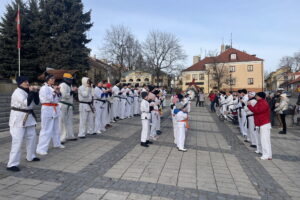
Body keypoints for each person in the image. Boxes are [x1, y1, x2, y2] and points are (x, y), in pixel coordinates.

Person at [7, 76, 40, 172]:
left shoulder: (27, 91)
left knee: (32, 137)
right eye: (25, 81)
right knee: (17, 141)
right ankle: (12, 163)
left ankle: (31, 156)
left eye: (27, 81)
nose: (27, 83)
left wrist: (35, 92)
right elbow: (26, 103)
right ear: (20, 83)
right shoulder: (17, 92)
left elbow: (37, 102)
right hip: (18, 117)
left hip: (29, 117)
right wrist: (31, 92)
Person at [36, 74, 64, 156]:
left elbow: (58, 99)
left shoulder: (52, 88)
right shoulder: (44, 88)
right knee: (46, 129)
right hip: (47, 109)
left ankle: (57, 143)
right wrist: (54, 91)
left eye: (54, 79)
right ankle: (41, 149)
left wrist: (58, 92)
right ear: (47, 79)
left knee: (56, 128)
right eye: (51, 79)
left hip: (55, 109)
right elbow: (47, 99)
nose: (53, 80)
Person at [247, 92, 272, 160]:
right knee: (265, 140)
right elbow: (256, 110)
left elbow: (256, 110)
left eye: (257, 96)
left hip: (264, 123)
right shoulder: (260, 102)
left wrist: (249, 106)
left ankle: (266, 155)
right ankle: (268, 154)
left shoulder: (263, 103)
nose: (255, 97)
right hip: (261, 123)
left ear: (260, 96)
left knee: (264, 140)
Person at [59, 73, 77, 144]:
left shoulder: (70, 85)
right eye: (70, 79)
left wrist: (74, 92)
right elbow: (64, 96)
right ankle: (61, 138)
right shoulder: (62, 85)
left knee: (69, 121)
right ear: (66, 79)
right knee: (62, 121)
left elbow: (71, 95)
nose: (71, 80)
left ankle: (70, 135)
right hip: (63, 105)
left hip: (69, 105)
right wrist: (72, 91)